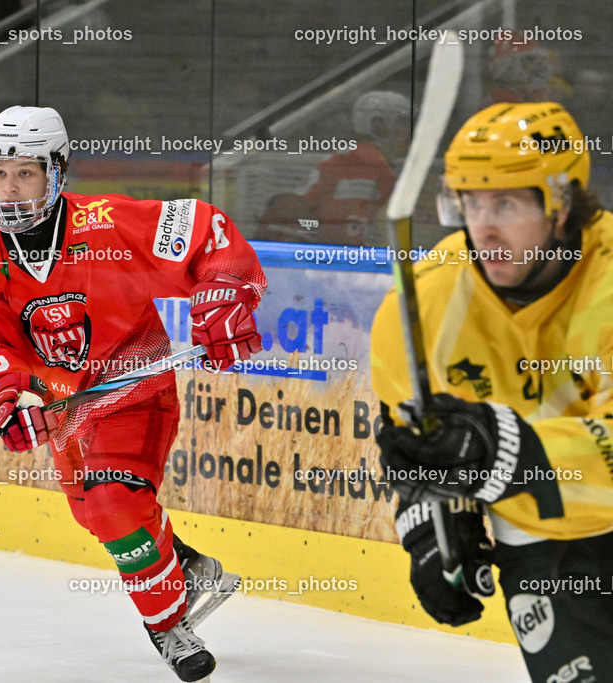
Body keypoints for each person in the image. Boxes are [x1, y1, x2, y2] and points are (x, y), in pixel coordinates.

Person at [0, 105, 266, 681]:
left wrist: (224, 291)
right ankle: (187, 569)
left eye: (25, 172)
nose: (10, 189)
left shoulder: (110, 224)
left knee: (116, 504)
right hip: (61, 410)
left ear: (57, 171)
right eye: (0, 172)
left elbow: (206, 232)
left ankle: (168, 626)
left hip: (131, 389)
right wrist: (13, 395)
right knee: (93, 513)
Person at [370, 102, 613, 683]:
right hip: (540, 539)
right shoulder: (425, 302)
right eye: (469, 203)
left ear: (560, 203)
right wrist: (432, 524)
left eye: (505, 202)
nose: (484, 227)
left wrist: (505, 452)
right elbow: (412, 443)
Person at [255, 90, 408, 245]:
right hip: (288, 240)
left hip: (295, 235)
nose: (407, 131)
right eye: (401, 122)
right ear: (378, 125)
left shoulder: (364, 156)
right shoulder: (366, 161)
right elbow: (341, 234)